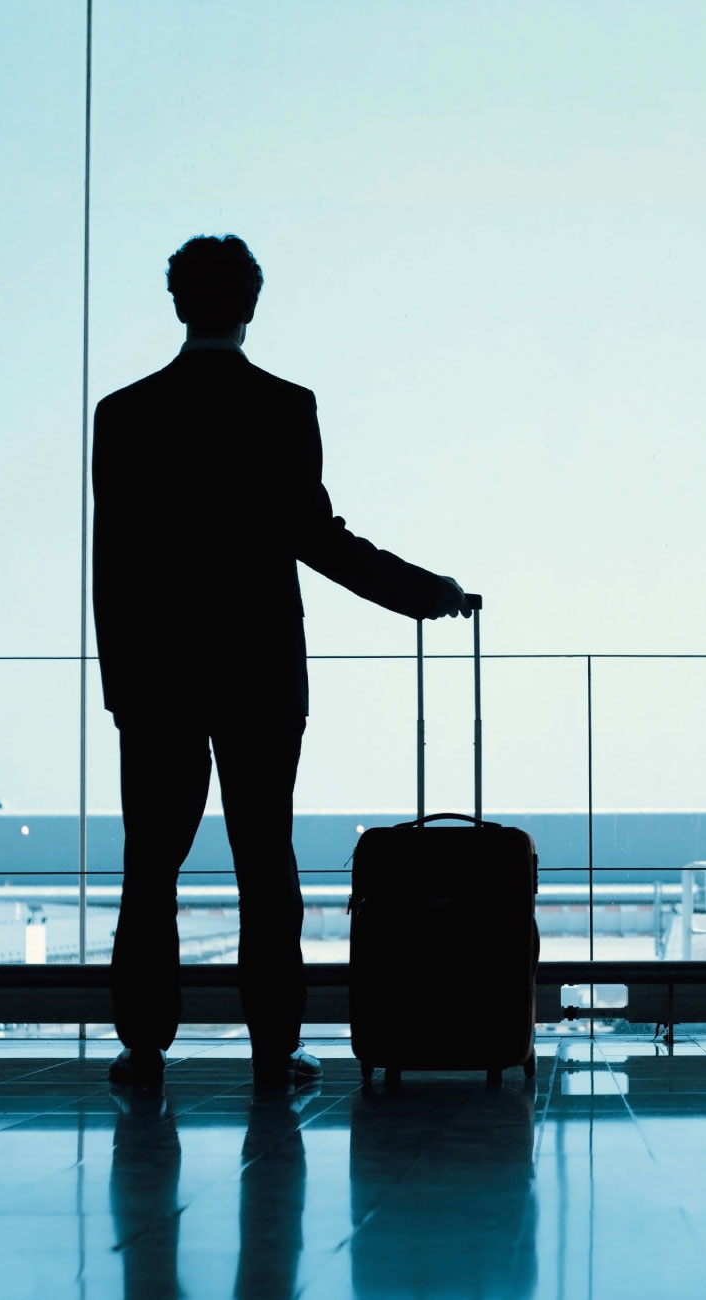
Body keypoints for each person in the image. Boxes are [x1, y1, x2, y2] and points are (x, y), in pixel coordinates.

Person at [95, 234, 467, 1089]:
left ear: (178, 303)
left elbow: (113, 562)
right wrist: (424, 592)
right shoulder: (284, 408)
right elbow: (320, 542)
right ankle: (273, 1045)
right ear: (250, 306)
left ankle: (144, 1043)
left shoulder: (125, 413)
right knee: (265, 860)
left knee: (150, 864)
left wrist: (123, 689)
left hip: (155, 680)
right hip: (260, 673)